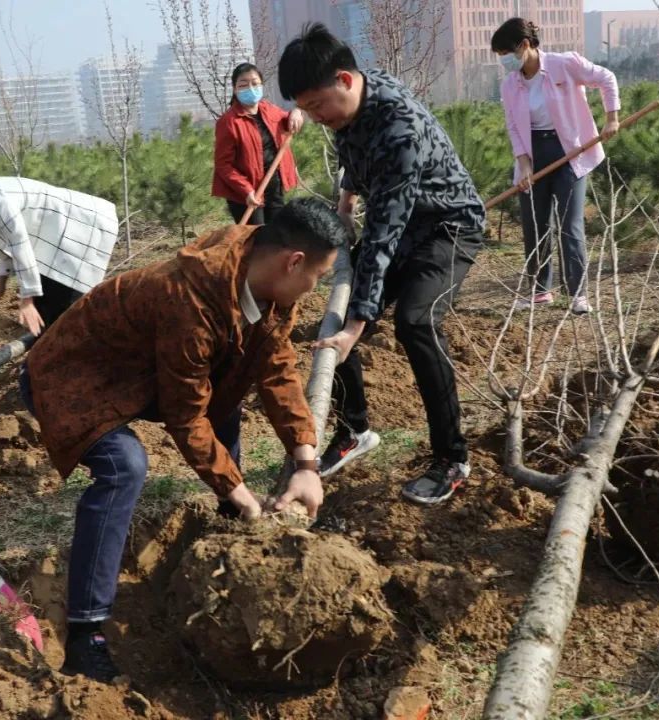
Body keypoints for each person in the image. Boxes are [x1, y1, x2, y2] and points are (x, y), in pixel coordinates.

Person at [21, 198, 348, 681]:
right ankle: (85, 634)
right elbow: (185, 416)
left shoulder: (269, 285)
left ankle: (230, 527)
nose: (314, 289)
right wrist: (245, 496)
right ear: (292, 262)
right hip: (74, 377)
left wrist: (305, 462)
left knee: (228, 398)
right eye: (318, 278)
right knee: (124, 466)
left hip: (137, 373)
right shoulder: (190, 300)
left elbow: (276, 367)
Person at [278, 24, 486, 506]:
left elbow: (384, 233)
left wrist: (359, 323)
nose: (315, 117)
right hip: (403, 222)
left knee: (415, 322)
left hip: (446, 228)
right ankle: (354, 431)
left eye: (317, 106)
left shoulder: (399, 128)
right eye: (305, 109)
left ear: (345, 80)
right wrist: (347, 200)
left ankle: (452, 458)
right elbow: (352, 151)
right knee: (336, 326)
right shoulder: (350, 105)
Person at [492, 17, 620, 315]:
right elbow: (513, 125)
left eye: (506, 55)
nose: (505, 63)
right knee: (535, 224)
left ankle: (577, 294)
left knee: (569, 224)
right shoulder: (511, 84)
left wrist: (611, 117)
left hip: (570, 151)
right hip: (533, 154)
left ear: (524, 45)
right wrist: (523, 164)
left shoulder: (564, 64)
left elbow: (606, 78)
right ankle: (540, 290)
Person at [0, 148, 119, 334]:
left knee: (65, 313)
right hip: (56, 240)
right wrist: (1, 285)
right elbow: (6, 247)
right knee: (50, 314)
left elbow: (19, 244)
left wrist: (27, 299)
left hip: (81, 229)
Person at [212, 62, 303, 225]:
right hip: (246, 193)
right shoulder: (228, 122)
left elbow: (288, 118)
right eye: (243, 85)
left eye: (255, 83)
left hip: (273, 185)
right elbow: (223, 165)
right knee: (256, 239)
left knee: (277, 236)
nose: (250, 88)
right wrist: (246, 190)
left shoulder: (269, 110)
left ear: (261, 85)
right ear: (235, 89)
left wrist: (296, 112)